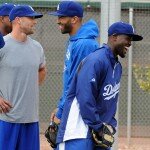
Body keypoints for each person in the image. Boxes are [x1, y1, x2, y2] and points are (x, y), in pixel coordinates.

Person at [56, 22, 143, 150]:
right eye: (127, 38)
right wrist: (98, 126)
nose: (130, 43)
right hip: (78, 131)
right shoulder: (96, 60)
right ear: (114, 37)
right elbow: (85, 98)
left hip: (98, 132)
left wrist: (110, 125)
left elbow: (110, 102)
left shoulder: (117, 67)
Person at [0, 5, 46, 150]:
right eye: (31, 17)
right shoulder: (3, 45)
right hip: (6, 119)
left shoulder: (37, 47)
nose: (35, 21)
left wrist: (28, 87)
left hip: (31, 120)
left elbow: (42, 69)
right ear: (18, 20)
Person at [49, 0, 100, 124]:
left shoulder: (84, 44)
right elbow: (69, 79)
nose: (58, 21)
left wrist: (61, 111)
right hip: (73, 103)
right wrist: (61, 105)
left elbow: (75, 82)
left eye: (61, 17)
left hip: (80, 108)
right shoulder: (74, 41)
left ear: (74, 19)